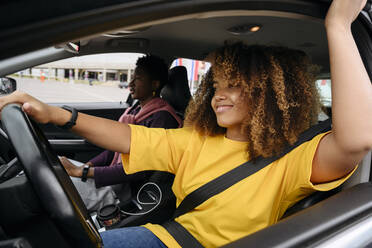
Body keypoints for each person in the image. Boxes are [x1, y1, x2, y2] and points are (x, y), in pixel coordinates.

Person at [0, 0, 371, 247]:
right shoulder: (197, 138)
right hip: (162, 236)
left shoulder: (293, 158)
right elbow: (130, 136)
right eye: (216, 85)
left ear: (268, 96)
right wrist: (57, 114)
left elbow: (357, 139)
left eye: (236, 87)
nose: (217, 96)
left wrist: (337, 25)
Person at [60, 54, 182, 212]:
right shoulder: (135, 110)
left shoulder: (163, 119)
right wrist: (86, 166)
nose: (130, 83)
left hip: (124, 190)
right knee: (54, 170)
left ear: (154, 84)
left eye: (137, 79)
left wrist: (82, 172)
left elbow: (138, 170)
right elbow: (113, 149)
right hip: (111, 179)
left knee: (52, 186)